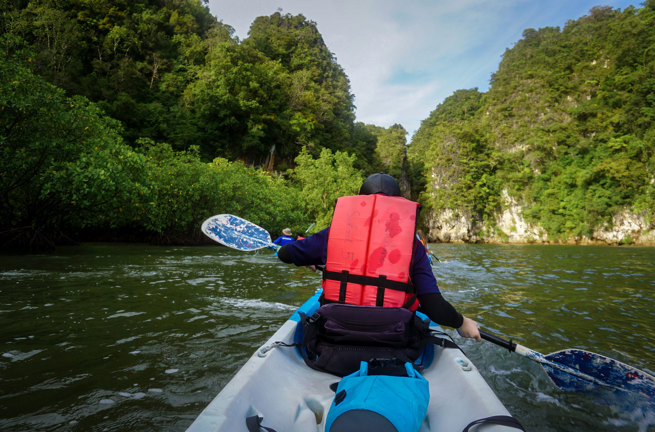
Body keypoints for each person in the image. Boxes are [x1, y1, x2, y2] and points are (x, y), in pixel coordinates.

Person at [277, 173, 481, 342]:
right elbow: (433, 306)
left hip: (334, 335)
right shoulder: (413, 245)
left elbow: (286, 254)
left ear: (360, 202)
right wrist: (461, 322)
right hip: (392, 340)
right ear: (397, 205)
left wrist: (308, 258)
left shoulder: (333, 234)